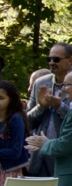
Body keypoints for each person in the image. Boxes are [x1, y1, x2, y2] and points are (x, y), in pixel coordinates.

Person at [26, 43, 72, 178]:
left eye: (56, 59)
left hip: (64, 155)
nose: (51, 63)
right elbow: (27, 122)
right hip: (40, 155)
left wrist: (59, 107)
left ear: (70, 60)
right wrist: (40, 107)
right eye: (49, 59)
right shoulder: (40, 83)